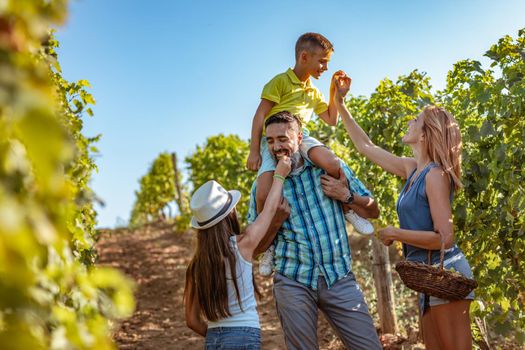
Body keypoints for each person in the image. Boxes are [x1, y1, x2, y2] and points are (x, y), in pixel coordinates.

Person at [322, 73, 474, 349]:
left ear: (426, 134)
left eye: (415, 120)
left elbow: (445, 238)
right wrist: (340, 104)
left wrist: (396, 233)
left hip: (446, 274)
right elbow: (365, 146)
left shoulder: (435, 175)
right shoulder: (412, 169)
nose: (409, 122)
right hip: (428, 278)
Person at [248, 111, 382, 350]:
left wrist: (347, 196)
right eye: (270, 141)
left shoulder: (328, 169)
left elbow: (373, 212)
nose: (276, 147)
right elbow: (255, 249)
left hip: (338, 277)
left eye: (282, 139)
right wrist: (276, 221)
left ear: (299, 138)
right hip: (293, 282)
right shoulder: (265, 185)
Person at [247, 32, 373, 276]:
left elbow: (331, 119)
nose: (326, 67)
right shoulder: (280, 82)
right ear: (304, 57)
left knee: (331, 162)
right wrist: (255, 151)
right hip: (273, 141)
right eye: (322, 61)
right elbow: (259, 116)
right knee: (263, 192)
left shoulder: (313, 92)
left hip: (299, 138)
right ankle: (268, 247)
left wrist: (336, 93)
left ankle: (348, 209)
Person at [184, 156, 291, 349]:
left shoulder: (196, 265)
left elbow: (191, 320)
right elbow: (270, 209)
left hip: (213, 339)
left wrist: (217, 337)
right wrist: (280, 176)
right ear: (229, 215)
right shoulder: (243, 244)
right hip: (243, 334)